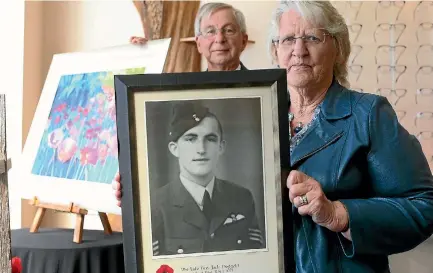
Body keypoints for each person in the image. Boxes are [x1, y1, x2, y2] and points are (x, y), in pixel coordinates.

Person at [268, 1, 433, 272]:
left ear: (338, 48)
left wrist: (338, 214)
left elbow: (423, 206)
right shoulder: (262, 116)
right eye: (288, 39)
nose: (299, 51)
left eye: (312, 37)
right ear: (276, 51)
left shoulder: (368, 114)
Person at [150, 101, 263, 255]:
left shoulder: (241, 197)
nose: (201, 149)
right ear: (174, 149)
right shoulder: (156, 205)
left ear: (221, 147)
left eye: (210, 139)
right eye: (191, 139)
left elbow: (256, 258)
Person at [130, 2, 249, 72]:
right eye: (210, 31)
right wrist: (143, 58)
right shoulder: (188, 88)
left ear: (243, 41)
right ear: (199, 44)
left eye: (228, 30)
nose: (219, 39)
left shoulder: (265, 86)